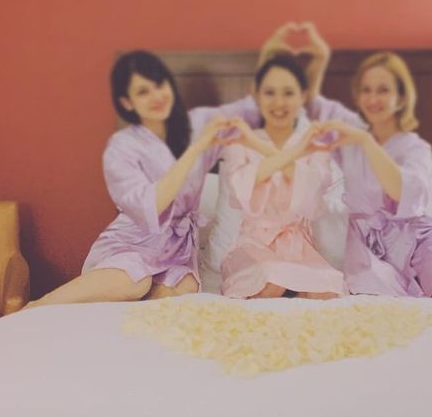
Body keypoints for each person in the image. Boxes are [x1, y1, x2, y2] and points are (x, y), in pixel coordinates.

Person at [262, 23, 432, 301]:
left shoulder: (412, 149)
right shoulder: (350, 134)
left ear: (400, 97)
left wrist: (366, 143)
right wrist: (319, 57)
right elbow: (305, 105)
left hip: (417, 242)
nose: (373, 98)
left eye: (383, 90)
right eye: (367, 90)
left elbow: (402, 193)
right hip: (372, 255)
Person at [26, 51, 260, 308]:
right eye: (143, 92)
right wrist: (195, 150)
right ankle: (37, 306)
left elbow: (256, 108)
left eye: (159, 85)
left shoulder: (198, 124)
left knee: (184, 288)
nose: (156, 96)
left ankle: (128, 319)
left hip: (177, 249)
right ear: (127, 103)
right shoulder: (122, 147)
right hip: (134, 240)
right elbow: (152, 206)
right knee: (135, 281)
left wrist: (275, 57)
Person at [220, 55, 346, 299]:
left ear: (302, 96)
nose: (279, 102)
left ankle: (295, 301)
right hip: (253, 247)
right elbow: (241, 190)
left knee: (331, 289)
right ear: (256, 95)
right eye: (270, 92)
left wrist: (270, 147)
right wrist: (293, 151)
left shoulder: (315, 145)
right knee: (269, 278)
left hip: (299, 247)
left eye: (288, 93)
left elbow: (312, 192)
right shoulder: (239, 143)